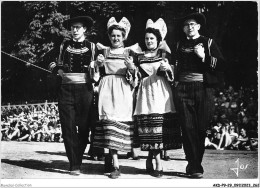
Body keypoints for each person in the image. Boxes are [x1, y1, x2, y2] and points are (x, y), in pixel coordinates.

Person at [174, 13, 225, 178]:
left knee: (201, 128)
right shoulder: (179, 44)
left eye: (193, 24)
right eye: (187, 24)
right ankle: (194, 165)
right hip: (182, 88)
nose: (190, 27)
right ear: (183, 28)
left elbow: (222, 64)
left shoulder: (208, 42)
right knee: (187, 128)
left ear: (199, 26)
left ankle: (195, 163)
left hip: (203, 88)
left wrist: (204, 56)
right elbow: (175, 67)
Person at [92, 17, 141, 179]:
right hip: (106, 90)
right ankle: (115, 163)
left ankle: (113, 159)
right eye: (113, 35)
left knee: (118, 124)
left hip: (123, 91)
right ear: (109, 36)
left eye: (119, 36)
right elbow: (95, 76)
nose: (115, 38)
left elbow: (135, 79)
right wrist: (98, 65)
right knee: (108, 124)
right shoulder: (104, 52)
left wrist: (131, 68)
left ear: (124, 36)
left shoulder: (129, 53)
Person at [48, 15, 97, 175]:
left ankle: (78, 158)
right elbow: (50, 61)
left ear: (84, 29)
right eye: (73, 27)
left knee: (84, 128)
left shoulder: (93, 47)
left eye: (78, 27)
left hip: (85, 90)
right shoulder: (63, 45)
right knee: (67, 127)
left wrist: (96, 68)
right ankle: (74, 164)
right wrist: (57, 69)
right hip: (66, 90)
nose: (75, 30)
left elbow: (100, 69)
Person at [133, 18, 182, 178]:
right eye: (147, 39)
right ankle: (155, 161)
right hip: (146, 95)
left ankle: (153, 159)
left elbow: (172, 77)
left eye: (152, 38)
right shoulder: (139, 56)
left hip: (161, 94)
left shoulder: (164, 54)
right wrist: (131, 69)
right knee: (150, 131)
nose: (149, 41)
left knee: (160, 131)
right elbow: (134, 77)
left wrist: (168, 68)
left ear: (158, 40)